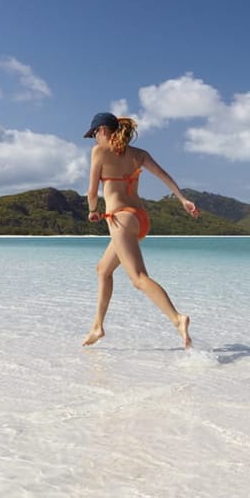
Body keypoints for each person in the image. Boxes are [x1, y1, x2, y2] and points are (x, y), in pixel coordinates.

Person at [80, 112, 200, 349]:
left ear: (103, 130)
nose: (94, 139)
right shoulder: (139, 155)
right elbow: (163, 175)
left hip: (120, 219)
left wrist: (92, 210)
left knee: (138, 278)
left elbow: (92, 192)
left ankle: (178, 319)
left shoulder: (99, 152)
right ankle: (97, 326)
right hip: (139, 218)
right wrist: (182, 199)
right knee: (103, 270)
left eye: (94, 134)